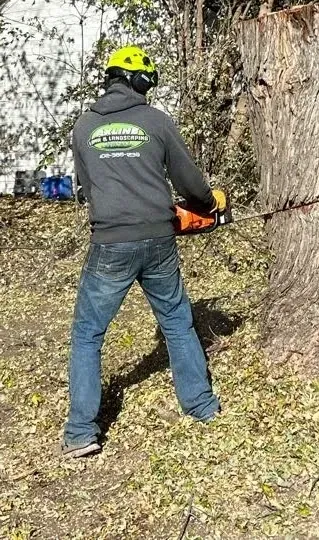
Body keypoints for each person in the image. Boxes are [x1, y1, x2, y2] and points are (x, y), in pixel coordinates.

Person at [62, 46, 225, 458]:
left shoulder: (83, 127)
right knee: (176, 321)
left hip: (110, 243)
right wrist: (209, 205)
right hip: (158, 240)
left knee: (87, 335)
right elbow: (190, 182)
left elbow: (86, 187)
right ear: (139, 82)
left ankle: (81, 432)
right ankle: (202, 406)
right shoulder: (156, 121)